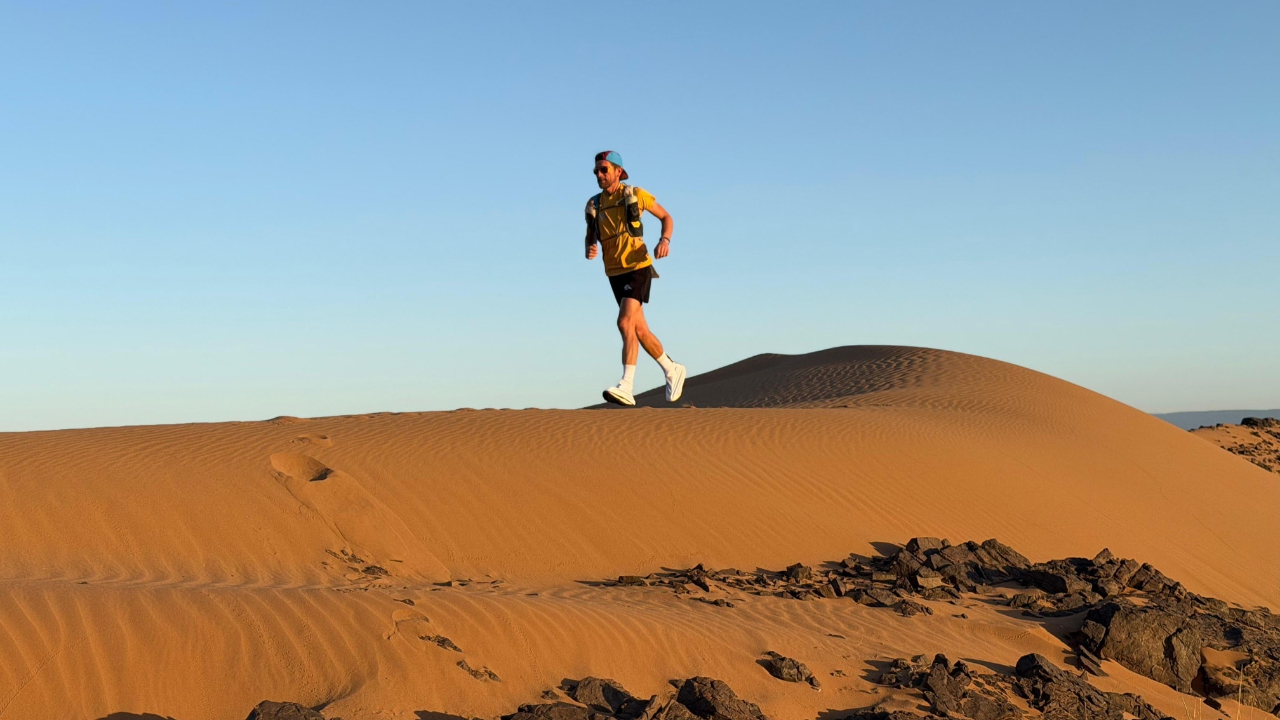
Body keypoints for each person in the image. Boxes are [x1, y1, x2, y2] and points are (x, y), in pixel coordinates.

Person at [584, 150, 686, 406]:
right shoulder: (594, 204)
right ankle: (672, 369)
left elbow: (666, 217)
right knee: (639, 329)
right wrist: (590, 247)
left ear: (618, 172)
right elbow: (590, 235)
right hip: (614, 273)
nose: (599, 174)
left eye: (604, 170)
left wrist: (665, 240)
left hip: (638, 267)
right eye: (596, 170)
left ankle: (626, 385)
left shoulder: (635, 195)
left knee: (624, 322)